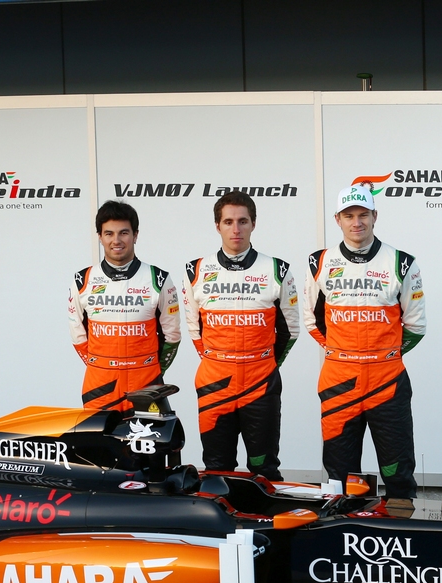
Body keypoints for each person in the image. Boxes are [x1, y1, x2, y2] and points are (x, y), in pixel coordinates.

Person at [302, 185, 426, 516]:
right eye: (349, 216)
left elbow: (415, 327)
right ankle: (341, 526)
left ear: (374, 217)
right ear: (338, 220)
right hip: (339, 378)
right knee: (339, 471)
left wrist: (383, 355)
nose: (356, 223)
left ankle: (401, 528)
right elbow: (312, 321)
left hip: (387, 378)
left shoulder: (401, 262)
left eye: (363, 215)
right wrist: (343, 351)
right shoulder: (320, 262)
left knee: (397, 469)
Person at [181, 190, 298, 479]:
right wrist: (223, 361)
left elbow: (290, 330)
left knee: (264, 466)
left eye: (243, 221)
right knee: (217, 465)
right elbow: (195, 331)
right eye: (228, 222)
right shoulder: (196, 270)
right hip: (215, 380)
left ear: (253, 224)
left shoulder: (277, 269)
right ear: (217, 226)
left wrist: (264, 362)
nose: (236, 229)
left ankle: (267, 522)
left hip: (261, 381)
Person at [69, 201, 182, 411]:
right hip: (100, 386)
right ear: (100, 237)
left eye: (124, 233)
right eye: (109, 233)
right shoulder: (82, 280)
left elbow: (172, 336)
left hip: (146, 384)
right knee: (99, 445)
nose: (116, 240)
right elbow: (78, 335)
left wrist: (154, 370)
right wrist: (101, 366)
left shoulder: (158, 279)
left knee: (152, 443)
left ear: (135, 235)